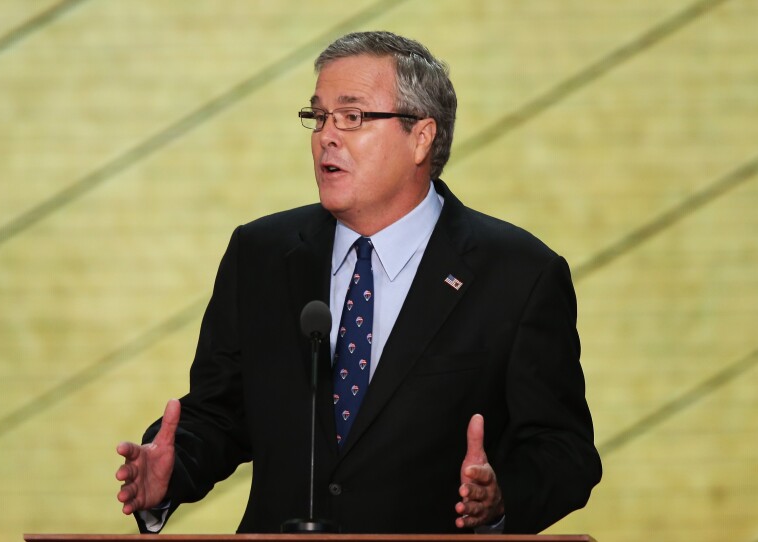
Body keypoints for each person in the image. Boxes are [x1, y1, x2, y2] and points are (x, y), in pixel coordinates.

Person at [115, 30, 601, 534]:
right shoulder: (261, 254)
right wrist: (170, 471)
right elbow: (219, 414)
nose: (327, 135)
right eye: (318, 116)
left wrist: (499, 500)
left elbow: (565, 453)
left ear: (421, 136)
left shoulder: (517, 275)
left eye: (352, 117)